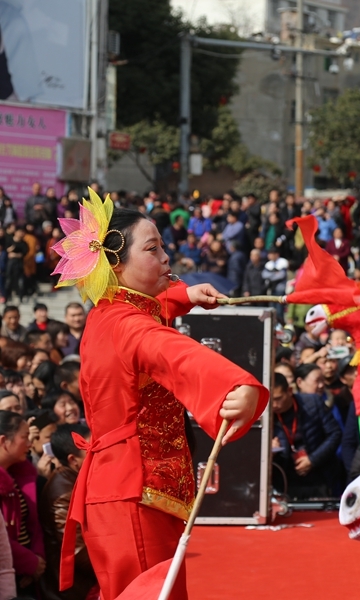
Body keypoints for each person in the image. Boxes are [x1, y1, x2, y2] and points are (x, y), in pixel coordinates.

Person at [51, 194, 268, 599]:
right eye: (152, 249)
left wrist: (184, 296)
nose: (167, 257)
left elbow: (150, 310)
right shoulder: (127, 325)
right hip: (133, 491)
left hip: (125, 489)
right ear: (115, 264)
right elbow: (172, 351)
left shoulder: (109, 311)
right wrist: (235, 385)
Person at [40, 423, 97, 600]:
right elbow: (77, 551)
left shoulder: (78, 478)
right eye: (91, 450)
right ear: (73, 460)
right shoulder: (63, 492)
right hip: (78, 589)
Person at [272, 371, 342, 500]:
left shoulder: (312, 402)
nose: (274, 405)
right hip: (285, 479)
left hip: (318, 475)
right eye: (270, 400)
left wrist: (312, 460)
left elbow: (335, 433)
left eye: (278, 399)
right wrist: (270, 451)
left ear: (289, 391)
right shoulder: (266, 415)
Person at [0, 410, 44, 593]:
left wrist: (38, 558)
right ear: (3, 441)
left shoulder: (20, 475)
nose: (29, 443)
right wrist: (29, 562)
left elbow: (34, 524)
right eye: (24, 437)